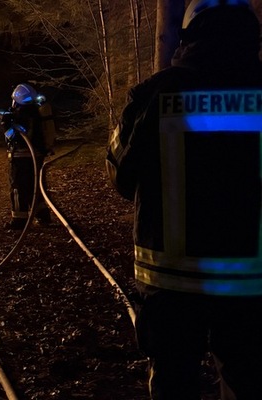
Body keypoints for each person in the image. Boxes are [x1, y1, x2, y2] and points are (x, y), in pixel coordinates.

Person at [105, 0, 262, 398]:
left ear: (187, 34)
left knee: (173, 380)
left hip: (170, 283)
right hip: (251, 285)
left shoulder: (154, 94)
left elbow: (122, 176)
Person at [1, 83, 56, 230]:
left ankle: (19, 220)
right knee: (36, 186)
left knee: (18, 187)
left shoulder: (23, 114)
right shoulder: (36, 111)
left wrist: (6, 127)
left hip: (21, 157)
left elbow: (17, 138)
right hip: (36, 156)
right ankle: (43, 215)